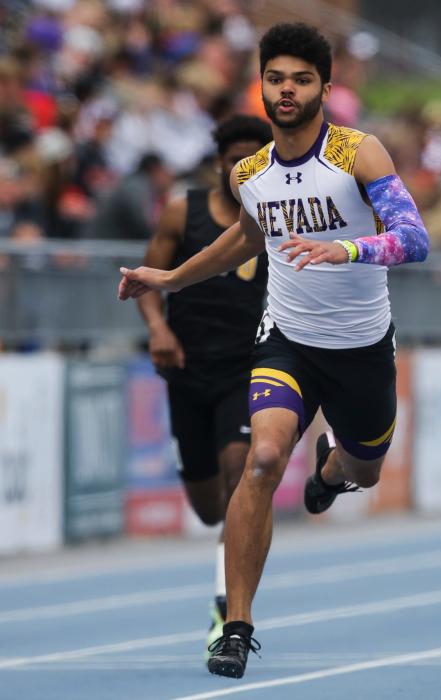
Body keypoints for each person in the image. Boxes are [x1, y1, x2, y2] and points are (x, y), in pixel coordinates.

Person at [117, 22, 429, 679]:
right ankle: (236, 625)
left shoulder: (356, 152)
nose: (286, 91)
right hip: (287, 340)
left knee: (365, 470)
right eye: (276, 79)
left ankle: (329, 475)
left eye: (301, 80)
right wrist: (167, 278)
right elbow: (243, 242)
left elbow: (414, 237)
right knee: (260, 457)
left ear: (325, 86)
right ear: (261, 85)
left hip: (361, 346)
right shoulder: (250, 173)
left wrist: (342, 248)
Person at [132, 114, 273, 659]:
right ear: (218, 160)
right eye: (232, 157)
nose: (239, 167)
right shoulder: (181, 211)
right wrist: (158, 326)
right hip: (187, 370)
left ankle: (228, 610)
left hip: (249, 368)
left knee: (245, 473)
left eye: (251, 159)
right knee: (209, 508)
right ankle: (228, 545)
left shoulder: (278, 215)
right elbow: (147, 279)